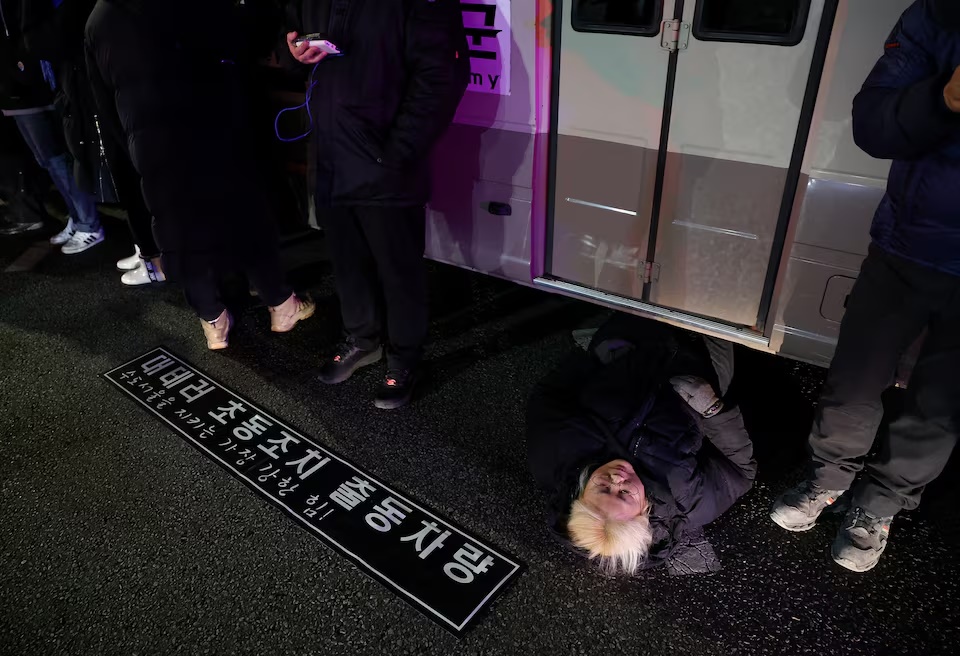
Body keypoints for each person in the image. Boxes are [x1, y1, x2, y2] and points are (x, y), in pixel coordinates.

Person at [771, 0, 960, 573]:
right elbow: (871, 125)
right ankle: (828, 479)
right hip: (906, 244)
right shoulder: (939, 15)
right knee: (853, 383)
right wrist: (945, 98)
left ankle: (879, 508)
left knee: (940, 409)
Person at [86, 0, 314, 348]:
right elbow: (236, 39)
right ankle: (282, 306)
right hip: (211, 126)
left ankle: (213, 322)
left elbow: (103, 105)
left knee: (180, 231)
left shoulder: (98, 19)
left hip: (150, 145)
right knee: (245, 216)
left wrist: (136, 146)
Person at [283, 0, 470, 409]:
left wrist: (397, 153)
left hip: (387, 162)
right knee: (346, 262)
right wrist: (295, 55)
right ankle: (361, 338)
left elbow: (444, 74)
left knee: (399, 271)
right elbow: (294, 42)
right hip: (332, 155)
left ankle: (405, 358)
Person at [527, 314, 756, 575]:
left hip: (632, 340)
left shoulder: (553, 457)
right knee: (727, 306)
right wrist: (713, 410)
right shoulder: (692, 504)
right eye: (624, 494)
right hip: (703, 365)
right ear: (643, 513)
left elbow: (547, 396)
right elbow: (741, 473)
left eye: (602, 488)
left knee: (653, 291)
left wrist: (594, 360)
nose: (616, 480)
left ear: (581, 494)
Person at [25, 0, 163, 285]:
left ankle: (156, 258)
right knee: (125, 175)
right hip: (101, 89)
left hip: (117, 90)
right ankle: (147, 250)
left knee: (134, 174)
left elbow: (48, 39)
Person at [0, 0, 102, 252]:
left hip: (31, 85)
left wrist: (22, 67)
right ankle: (77, 219)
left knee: (58, 158)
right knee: (47, 160)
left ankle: (89, 224)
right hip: (16, 88)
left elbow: (31, 28)